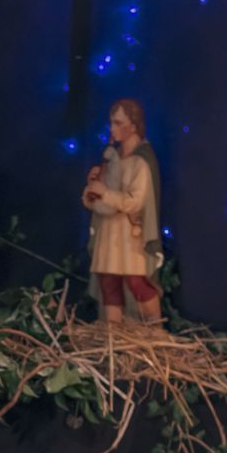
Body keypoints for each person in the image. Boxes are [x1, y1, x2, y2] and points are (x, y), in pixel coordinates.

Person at [82, 98, 164, 326]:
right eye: (111, 123)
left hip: (130, 236)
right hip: (108, 234)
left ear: (134, 126)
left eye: (118, 123)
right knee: (108, 282)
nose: (113, 128)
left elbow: (136, 202)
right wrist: (91, 192)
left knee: (136, 281)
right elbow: (99, 204)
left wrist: (105, 192)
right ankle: (113, 333)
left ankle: (155, 326)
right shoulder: (112, 159)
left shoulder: (142, 161)